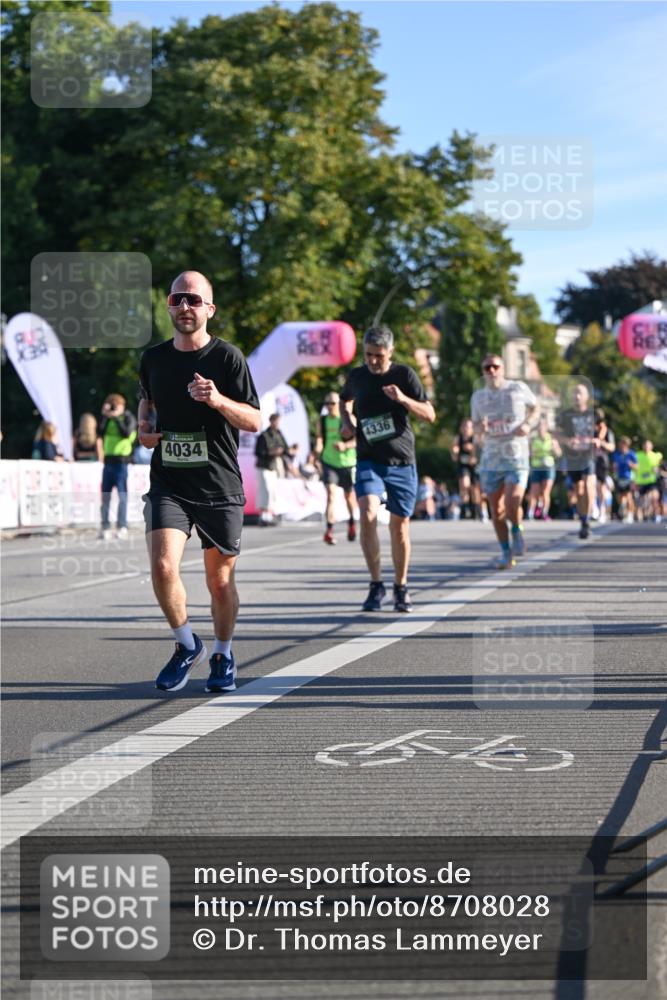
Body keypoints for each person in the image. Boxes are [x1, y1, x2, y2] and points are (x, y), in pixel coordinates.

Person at [137, 270, 261, 694]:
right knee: (163, 565)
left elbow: (255, 420)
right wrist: (143, 426)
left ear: (210, 309)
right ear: (169, 306)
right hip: (169, 480)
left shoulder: (227, 359)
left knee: (219, 582)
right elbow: (147, 398)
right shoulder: (153, 359)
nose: (184, 307)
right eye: (177, 300)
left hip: (218, 486)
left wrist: (218, 399)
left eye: (193, 300)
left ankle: (223, 652)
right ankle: (187, 644)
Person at [340, 324, 435, 612]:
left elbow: (430, 414)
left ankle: (401, 586)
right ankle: (376, 583)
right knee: (367, 511)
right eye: (368, 355)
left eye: (378, 356)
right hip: (368, 457)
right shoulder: (357, 376)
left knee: (399, 527)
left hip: (401, 461)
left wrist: (403, 399)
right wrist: (347, 421)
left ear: (390, 352)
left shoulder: (404, 375)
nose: (372, 361)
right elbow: (345, 401)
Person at [471, 354, 537, 569]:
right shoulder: (478, 397)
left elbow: (535, 409)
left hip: (516, 455)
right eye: (486, 367)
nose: (491, 371)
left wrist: (527, 425)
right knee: (496, 511)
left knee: (511, 503)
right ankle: (506, 553)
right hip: (491, 459)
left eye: (495, 366)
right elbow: (476, 429)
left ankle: (517, 529)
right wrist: (481, 430)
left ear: (502, 368)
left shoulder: (517, 388)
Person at [314, 391, 358, 545]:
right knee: (331, 494)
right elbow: (320, 438)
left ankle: (352, 523)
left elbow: (358, 441)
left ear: (338, 404)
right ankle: (329, 530)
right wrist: (317, 452)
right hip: (329, 461)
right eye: (327, 404)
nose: (329, 406)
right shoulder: (322, 420)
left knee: (348, 497)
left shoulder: (348, 419)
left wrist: (345, 445)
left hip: (347, 462)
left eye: (332, 403)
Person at [556, 383, 596, 539]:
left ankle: (587, 519)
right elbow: (557, 435)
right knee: (578, 490)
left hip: (588, 455)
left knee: (588, 485)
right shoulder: (565, 416)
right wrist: (567, 441)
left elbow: (602, 429)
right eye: (574, 393)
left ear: (586, 396)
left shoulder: (593, 414)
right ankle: (583, 518)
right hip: (573, 457)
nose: (576, 396)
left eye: (579, 393)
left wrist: (597, 440)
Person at [98, 393, 137, 541]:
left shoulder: (128, 418)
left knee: (122, 495)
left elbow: (126, 433)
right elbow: (99, 432)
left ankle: (122, 526)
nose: (114, 408)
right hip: (108, 461)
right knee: (106, 496)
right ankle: (105, 526)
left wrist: (115, 417)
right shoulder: (107, 419)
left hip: (122, 462)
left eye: (116, 405)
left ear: (122, 406)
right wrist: (105, 416)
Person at [254, 414, 289, 525]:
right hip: (264, 466)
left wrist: (290, 451)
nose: (277, 424)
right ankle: (263, 516)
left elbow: (285, 448)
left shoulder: (279, 434)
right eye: (276, 421)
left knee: (272, 491)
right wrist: (272, 452)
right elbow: (258, 452)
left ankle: (268, 515)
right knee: (265, 490)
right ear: (271, 421)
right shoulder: (263, 436)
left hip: (274, 467)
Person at [527, 417, 560, 521]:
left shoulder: (551, 439)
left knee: (546, 491)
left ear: (546, 428)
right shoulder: (533, 440)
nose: (540, 429)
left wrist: (554, 449)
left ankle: (544, 512)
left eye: (542, 427)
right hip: (536, 467)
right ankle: (531, 512)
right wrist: (534, 453)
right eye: (539, 427)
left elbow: (559, 454)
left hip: (548, 467)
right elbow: (528, 454)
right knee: (534, 491)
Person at [451, 418, 481, 520]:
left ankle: (476, 510)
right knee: (464, 484)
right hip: (463, 466)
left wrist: (473, 449)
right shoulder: (458, 439)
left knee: (475, 489)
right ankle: (465, 508)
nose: (466, 429)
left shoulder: (475, 439)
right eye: (464, 426)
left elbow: (480, 452)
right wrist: (455, 452)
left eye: (468, 427)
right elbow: (454, 454)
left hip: (474, 467)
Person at [593, 410, 615, 524]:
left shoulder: (607, 431)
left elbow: (612, 447)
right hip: (590, 460)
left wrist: (601, 443)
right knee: (590, 485)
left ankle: (601, 510)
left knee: (601, 487)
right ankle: (593, 508)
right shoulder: (589, 430)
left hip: (602, 461)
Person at [635, 439, 663, 521]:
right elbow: (634, 466)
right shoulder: (638, 455)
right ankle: (645, 514)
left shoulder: (655, 455)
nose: (646, 447)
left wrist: (657, 469)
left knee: (654, 497)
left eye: (648, 446)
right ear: (643, 446)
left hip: (652, 481)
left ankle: (656, 514)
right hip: (641, 481)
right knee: (642, 501)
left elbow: (660, 463)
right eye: (645, 445)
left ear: (651, 447)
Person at [611, 437, 638, 522]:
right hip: (619, 478)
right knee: (620, 497)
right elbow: (613, 466)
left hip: (628, 478)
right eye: (621, 444)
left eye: (624, 444)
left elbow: (637, 467)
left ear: (627, 445)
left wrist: (631, 465)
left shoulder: (631, 454)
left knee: (629, 496)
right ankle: (623, 511)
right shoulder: (616, 454)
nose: (622, 446)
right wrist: (614, 468)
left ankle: (630, 515)